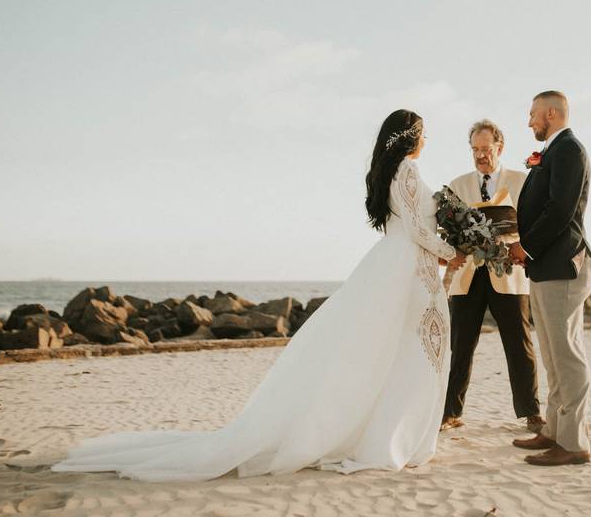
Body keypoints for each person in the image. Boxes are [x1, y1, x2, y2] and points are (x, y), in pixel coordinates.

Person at [52, 109, 466, 482]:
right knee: (413, 354)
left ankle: (388, 433)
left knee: (396, 353)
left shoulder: (389, 173)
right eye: (423, 132)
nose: (426, 139)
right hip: (411, 269)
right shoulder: (409, 171)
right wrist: (454, 252)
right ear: (410, 137)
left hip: (400, 267)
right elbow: (415, 228)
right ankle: (395, 439)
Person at [508, 91, 591, 467]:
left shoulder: (569, 150)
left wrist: (525, 247)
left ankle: (574, 443)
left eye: (532, 115)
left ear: (551, 113)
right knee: (552, 355)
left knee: (567, 356)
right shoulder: (553, 151)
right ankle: (555, 432)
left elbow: (561, 209)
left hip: (562, 266)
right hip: (544, 267)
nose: (529, 122)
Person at [441, 119, 544, 435]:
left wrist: (512, 244)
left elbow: (534, 225)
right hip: (467, 277)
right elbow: (449, 232)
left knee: (519, 345)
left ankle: (531, 412)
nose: (480, 155)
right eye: (475, 149)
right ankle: (449, 412)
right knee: (460, 346)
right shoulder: (457, 185)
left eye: (486, 149)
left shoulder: (521, 181)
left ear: (500, 148)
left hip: (509, 276)